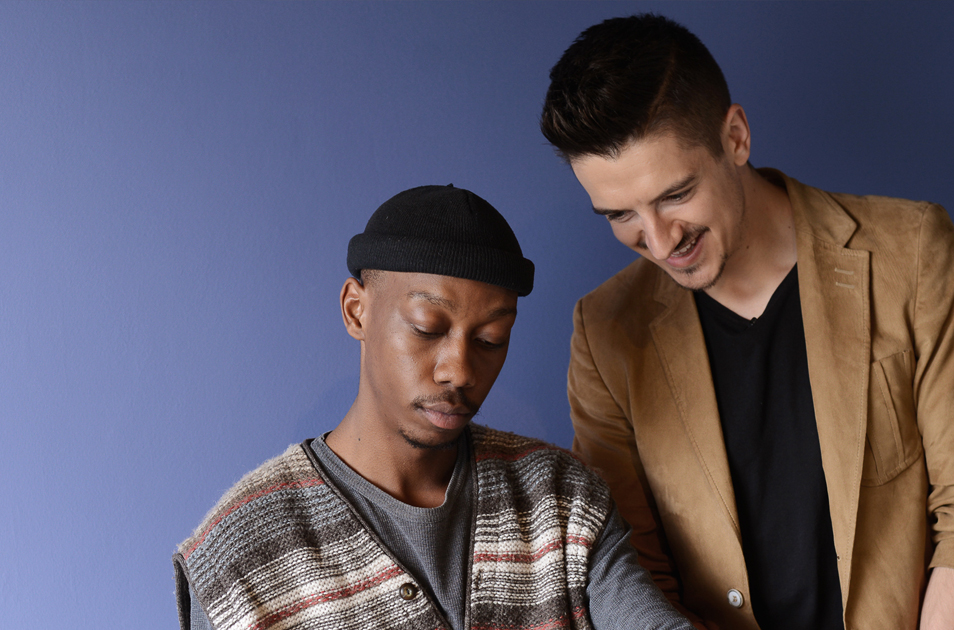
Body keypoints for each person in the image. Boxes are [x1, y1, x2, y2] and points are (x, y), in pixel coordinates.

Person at [540, 14, 954, 630]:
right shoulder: (605, 332)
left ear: (736, 137)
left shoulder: (914, 254)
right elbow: (632, 569)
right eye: (620, 215)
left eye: (675, 195)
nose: (660, 241)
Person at [172, 185, 693, 630]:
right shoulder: (236, 561)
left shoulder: (560, 498)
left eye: (490, 339)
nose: (460, 370)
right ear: (356, 311)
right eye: (427, 329)